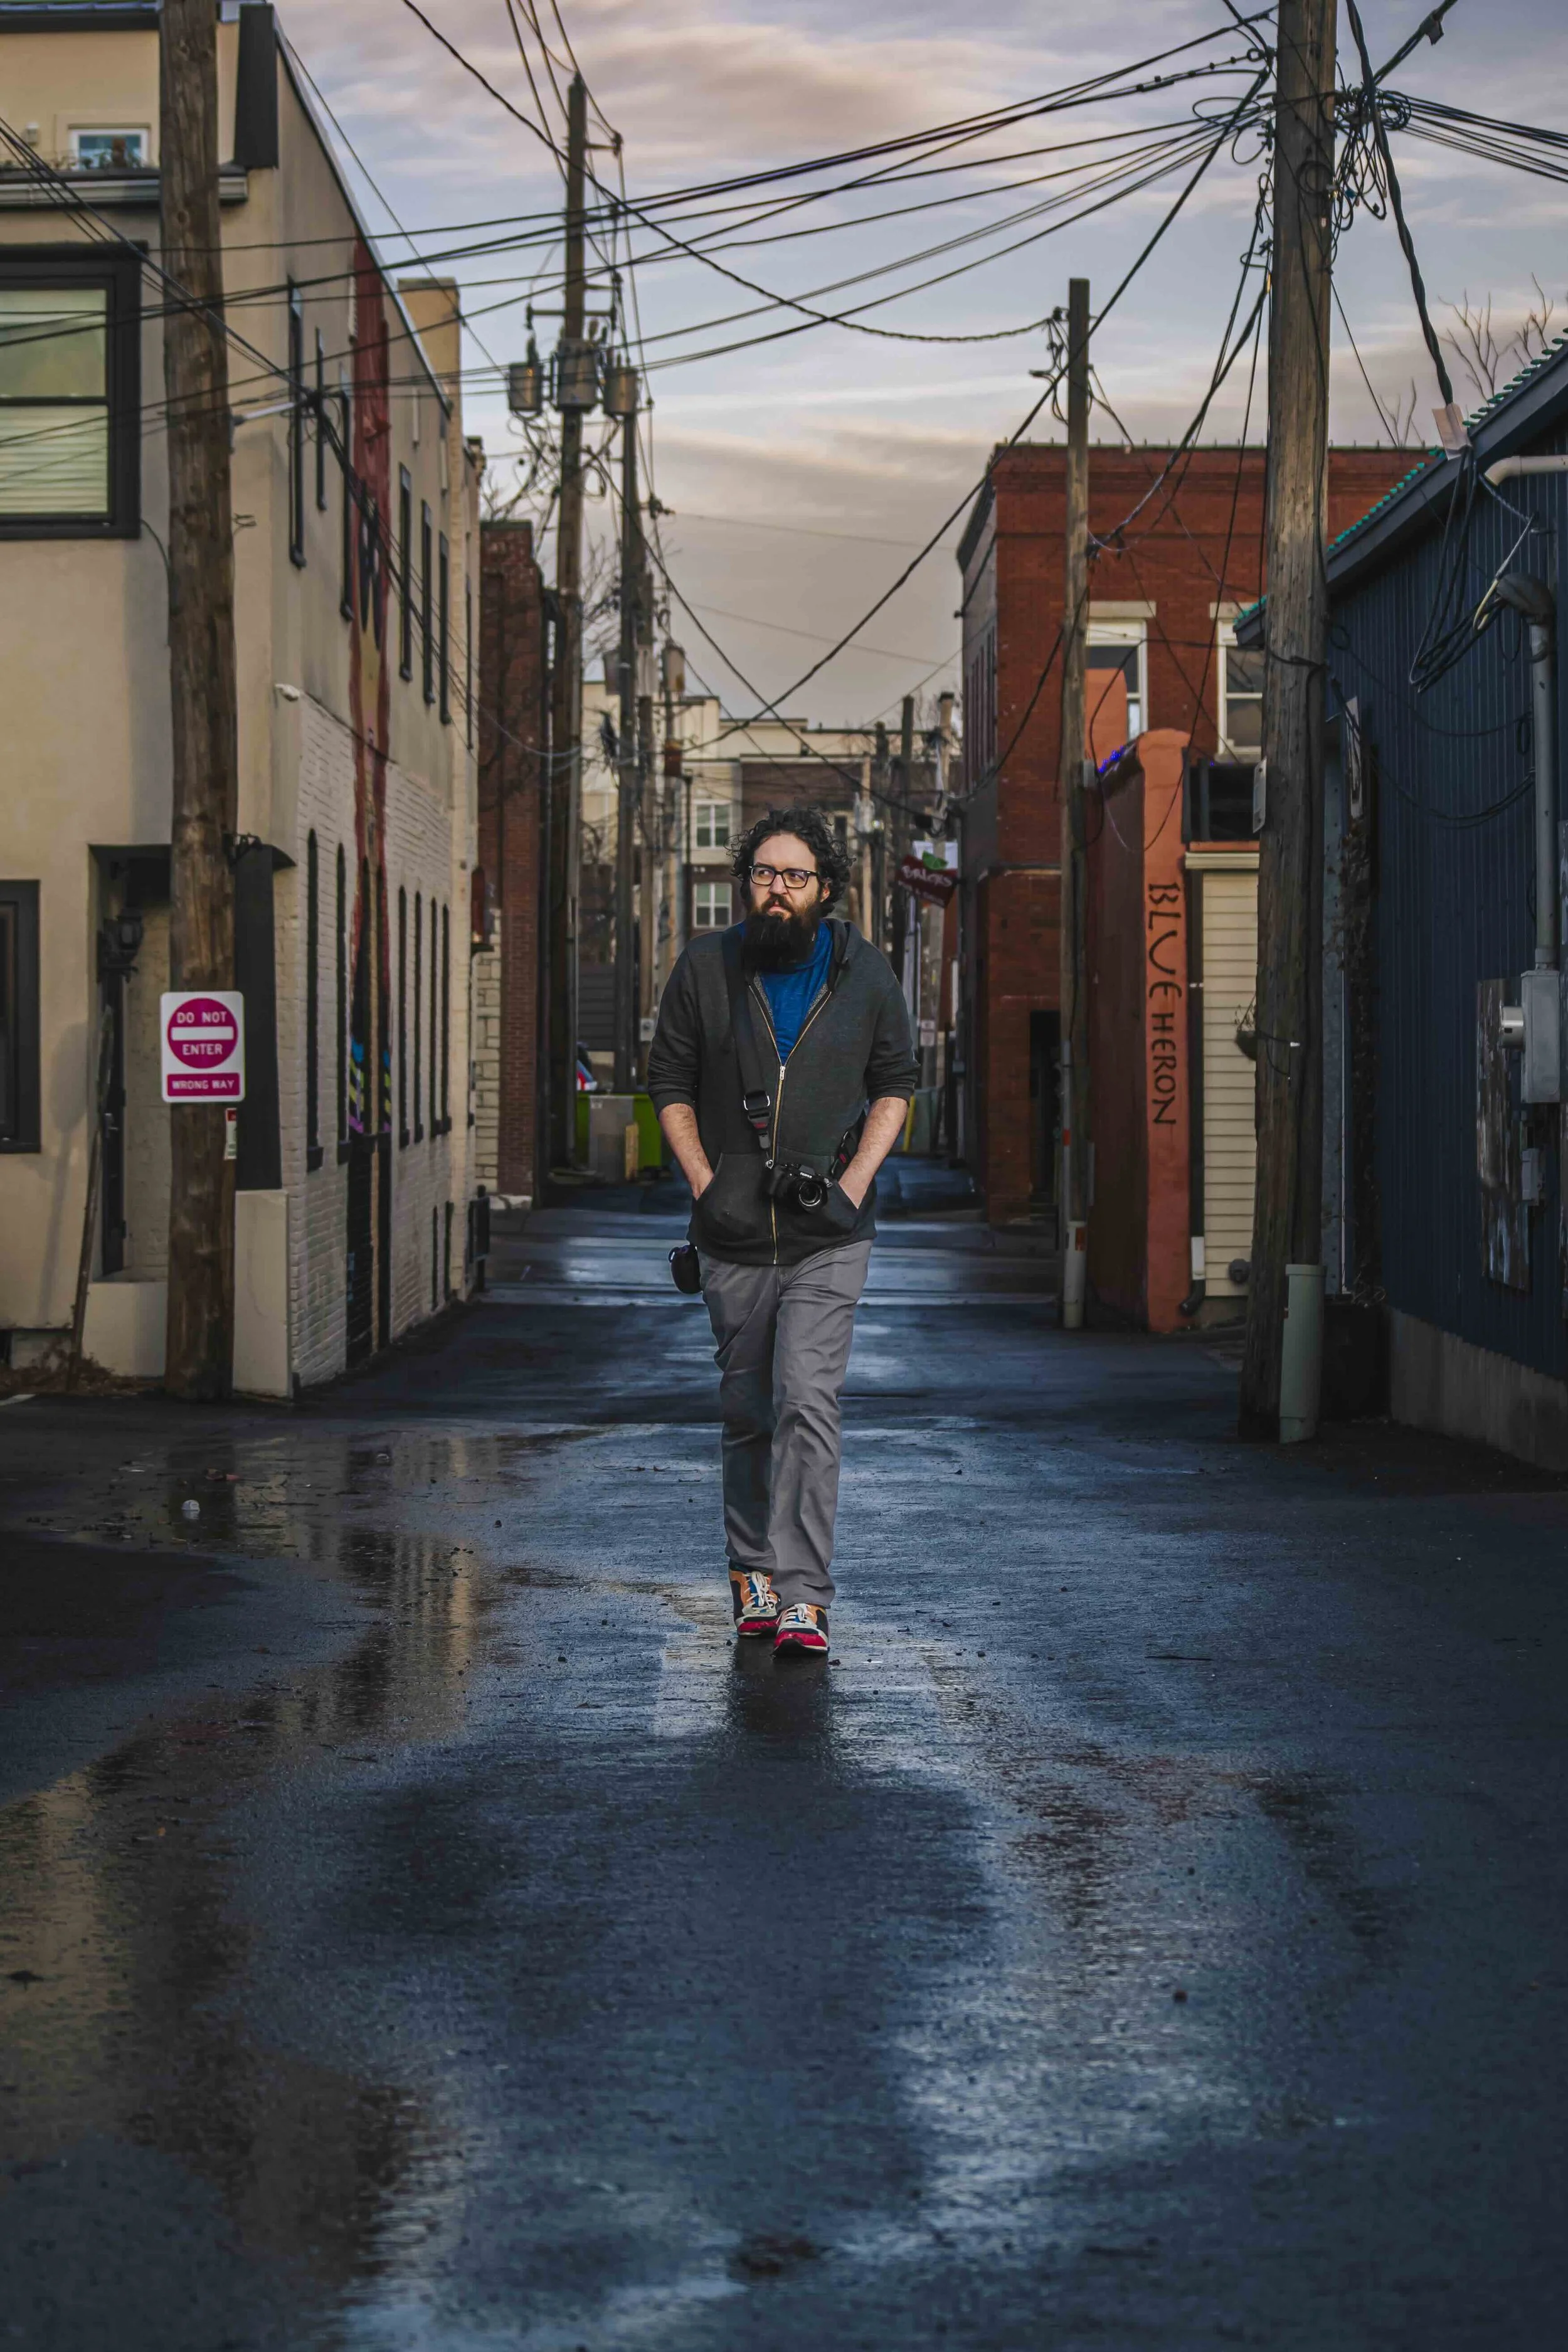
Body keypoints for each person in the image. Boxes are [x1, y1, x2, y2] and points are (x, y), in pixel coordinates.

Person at [648, 805, 918, 1655]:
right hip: (731, 1234)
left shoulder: (864, 973)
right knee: (748, 1410)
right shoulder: (706, 968)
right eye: (764, 873)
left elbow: (896, 1084)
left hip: (829, 1233)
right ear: (746, 883)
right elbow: (670, 1083)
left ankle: (804, 1594)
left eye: (795, 876)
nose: (777, 889)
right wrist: (706, 1184)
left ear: (825, 889)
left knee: (807, 1399)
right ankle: (752, 1571)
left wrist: (853, 1185)